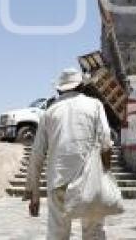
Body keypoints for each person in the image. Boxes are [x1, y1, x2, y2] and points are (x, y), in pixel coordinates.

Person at [26, 68, 112, 240]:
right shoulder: (95, 105)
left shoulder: (49, 113)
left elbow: (36, 155)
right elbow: (106, 143)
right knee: (93, 234)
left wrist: (34, 195)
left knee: (58, 235)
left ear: (59, 89)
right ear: (81, 86)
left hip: (59, 182)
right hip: (90, 181)